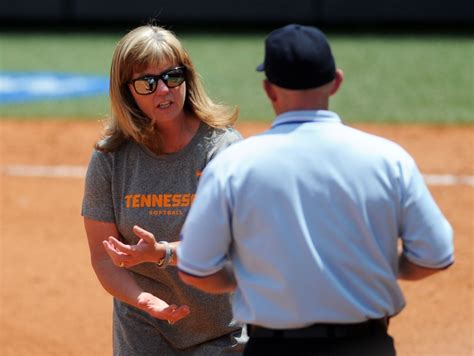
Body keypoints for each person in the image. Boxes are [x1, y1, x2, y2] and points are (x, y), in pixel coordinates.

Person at [177, 24, 454, 355]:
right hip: (366, 346)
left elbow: (196, 269)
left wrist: (256, 272)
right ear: (336, 81)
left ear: (269, 89)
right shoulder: (389, 159)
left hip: (273, 348)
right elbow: (436, 256)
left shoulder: (232, 166)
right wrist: (368, 264)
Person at [82, 24, 245, 355]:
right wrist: (143, 300)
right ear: (126, 91)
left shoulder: (222, 150)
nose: (163, 90)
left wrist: (163, 253)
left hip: (222, 331)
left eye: (172, 76)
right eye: (147, 82)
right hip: (143, 326)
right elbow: (103, 257)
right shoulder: (110, 156)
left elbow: (231, 247)